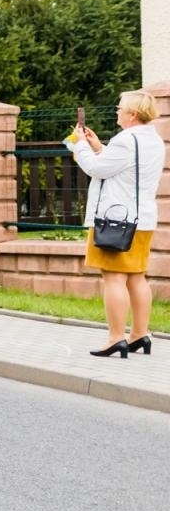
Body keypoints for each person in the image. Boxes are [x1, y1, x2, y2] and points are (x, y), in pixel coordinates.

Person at [68, 90, 165, 358]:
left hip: (115, 221)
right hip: (142, 220)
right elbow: (124, 166)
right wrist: (99, 147)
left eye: (120, 108)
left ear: (132, 114)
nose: (117, 112)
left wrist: (80, 145)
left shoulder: (126, 140)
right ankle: (139, 335)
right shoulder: (153, 140)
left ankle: (115, 338)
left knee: (113, 278)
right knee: (136, 276)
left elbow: (97, 170)